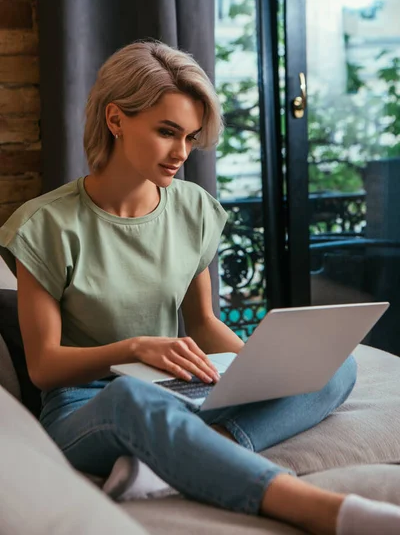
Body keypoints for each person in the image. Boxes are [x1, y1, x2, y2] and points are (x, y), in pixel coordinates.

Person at [0, 40, 399, 535]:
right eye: (167, 132)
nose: (182, 153)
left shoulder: (194, 209)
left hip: (179, 391)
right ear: (116, 119)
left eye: (190, 137)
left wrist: (261, 370)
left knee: (336, 364)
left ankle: (196, 451)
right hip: (88, 406)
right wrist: (134, 349)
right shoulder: (44, 225)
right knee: (134, 401)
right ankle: (318, 508)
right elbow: (42, 367)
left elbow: (205, 324)